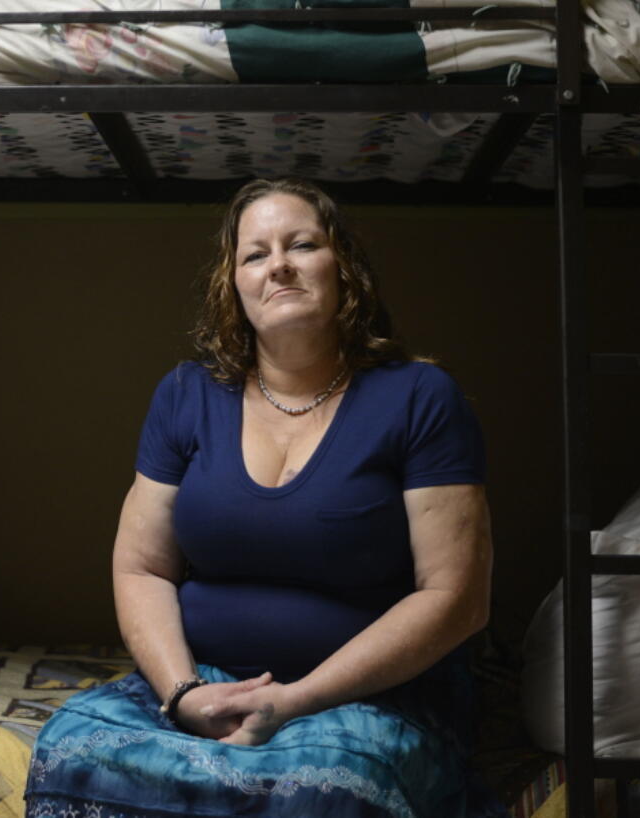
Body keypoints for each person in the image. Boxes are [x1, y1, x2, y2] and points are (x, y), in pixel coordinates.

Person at [25, 178, 502, 817]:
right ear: (234, 285)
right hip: (204, 681)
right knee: (72, 751)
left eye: (301, 244)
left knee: (324, 788)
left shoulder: (419, 396)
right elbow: (141, 567)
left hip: (372, 695)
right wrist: (183, 695)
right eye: (255, 254)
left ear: (344, 269)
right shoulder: (185, 394)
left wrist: (293, 700)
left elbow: (457, 598)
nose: (277, 264)